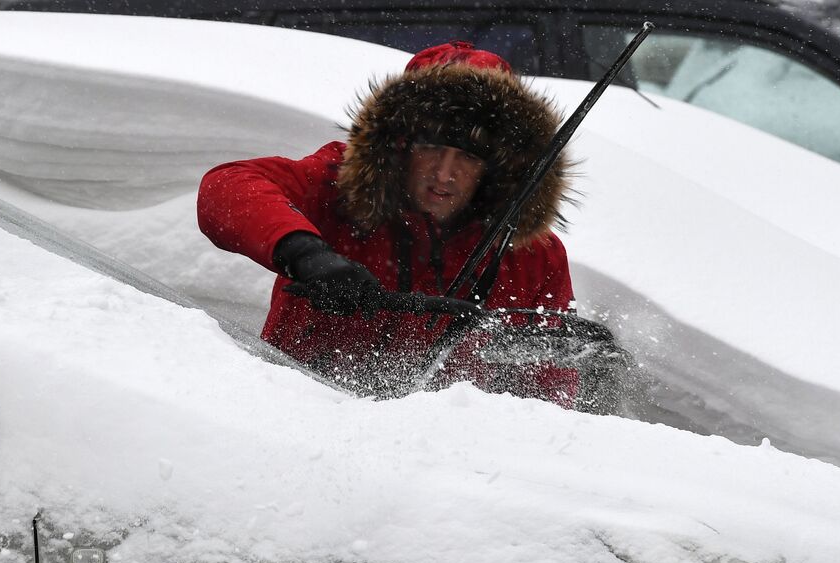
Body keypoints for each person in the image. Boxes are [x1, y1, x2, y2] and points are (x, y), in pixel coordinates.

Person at [197, 41, 576, 400]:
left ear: (498, 169)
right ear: (399, 146)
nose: (444, 174)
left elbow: (548, 402)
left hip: (448, 460)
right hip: (287, 422)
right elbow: (225, 187)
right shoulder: (338, 189)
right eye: (430, 148)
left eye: (468, 157)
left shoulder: (534, 257)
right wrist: (304, 254)